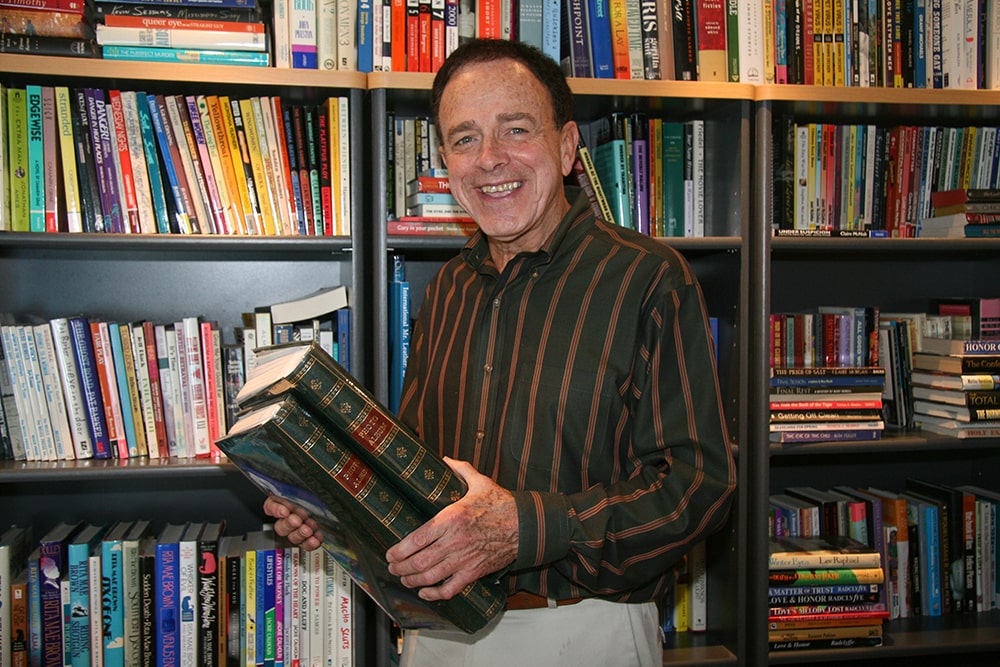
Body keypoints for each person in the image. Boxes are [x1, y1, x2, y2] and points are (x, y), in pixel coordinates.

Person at [264, 38, 737, 667]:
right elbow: (417, 471)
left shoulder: (648, 277)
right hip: (437, 628)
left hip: (584, 632)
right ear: (445, 162)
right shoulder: (447, 290)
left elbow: (697, 487)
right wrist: (332, 506)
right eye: (464, 139)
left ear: (567, 147)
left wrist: (524, 530)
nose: (489, 159)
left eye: (515, 129)